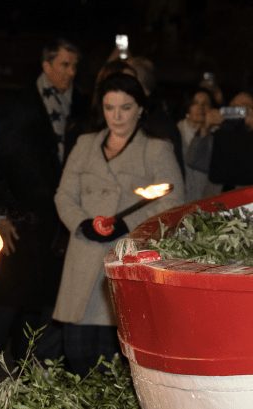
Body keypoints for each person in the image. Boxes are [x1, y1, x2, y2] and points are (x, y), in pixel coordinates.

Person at [0, 38, 85, 383]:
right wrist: (1, 215)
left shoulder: (81, 103)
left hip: (60, 222)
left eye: (75, 66)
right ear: (47, 64)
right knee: (8, 302)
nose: (71, 72)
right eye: (65, 65)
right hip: (22, 218)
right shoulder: (18, 102)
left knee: (47, 301)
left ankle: (29, 376)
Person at [54, 73, 184, 376]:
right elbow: (63, 195)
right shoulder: (85, 144)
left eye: (125, 107)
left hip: (124, 258)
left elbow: (173, 202)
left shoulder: (156, 149)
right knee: (77, 354)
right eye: (109, 107)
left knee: (116, 364)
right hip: (83, 259)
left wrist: (129, 224)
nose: (117, 116)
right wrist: (81, 223)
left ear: (140, 108)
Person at [176, 88, 222, 202]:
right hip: (181, 199)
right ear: (188, 107)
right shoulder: (176, 133)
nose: (201, 107)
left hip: (207, 200)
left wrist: (206, 128)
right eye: (195, 103)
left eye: (205, 104)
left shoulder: (219, 135)